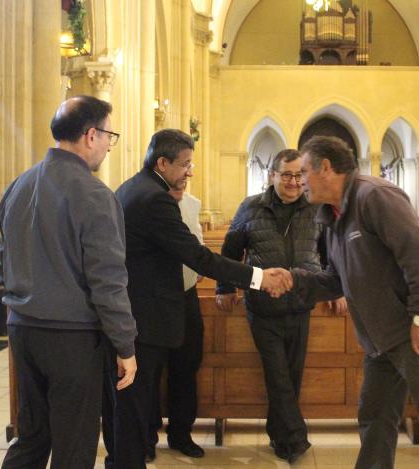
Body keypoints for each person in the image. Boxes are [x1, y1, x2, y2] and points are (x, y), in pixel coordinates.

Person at [288, 136, 419, 469]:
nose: (300, 180)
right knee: (374, 417)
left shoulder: (375, 196)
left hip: (418, 328)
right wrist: (292, 280)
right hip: (382, 337)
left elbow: (418, 257)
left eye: (304, 171)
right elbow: (337, 279)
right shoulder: (332, 217)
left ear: (326, 167)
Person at [111, 128, 291, 468]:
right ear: (162, 163)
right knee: (134, 408)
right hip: (146, 315)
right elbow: (198, 257)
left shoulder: (133, 187)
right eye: (185, 164)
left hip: (142, 310)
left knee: (133, 405)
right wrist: (258, 277)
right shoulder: (155, 198)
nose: (190, 172)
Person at [0, 95, 138, 469]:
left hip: (22, 330)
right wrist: (125, 345)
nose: (109, 145)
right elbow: (108, 281)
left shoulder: (18, 185)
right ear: (91, 135)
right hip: (71, 339)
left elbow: (1, 265)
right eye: (109, 136)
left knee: (32, 437)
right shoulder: (95, 195)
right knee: (74, 446)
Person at [215, 149, 346, 463]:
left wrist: (337, 289)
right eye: (286, 175)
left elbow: (330, 254)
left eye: (299, 175)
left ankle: (279, 436)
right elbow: (230, 252)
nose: (294, 182)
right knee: (278, 375)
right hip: (263, 306)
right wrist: (225, 287)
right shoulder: (250, 207)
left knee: (291, 376)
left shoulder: (316, 208)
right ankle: (295, 440)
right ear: (272, 175)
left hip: (301, 303)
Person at [147, 189, 206, 460]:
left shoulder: (192, 204)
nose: (187, 175)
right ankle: (146, 437)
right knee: (150, 371)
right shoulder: (147, 201)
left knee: (186, 366)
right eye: (183, 170)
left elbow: (198, 246)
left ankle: (181, 434)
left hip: (186, 296)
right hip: (154, 300)